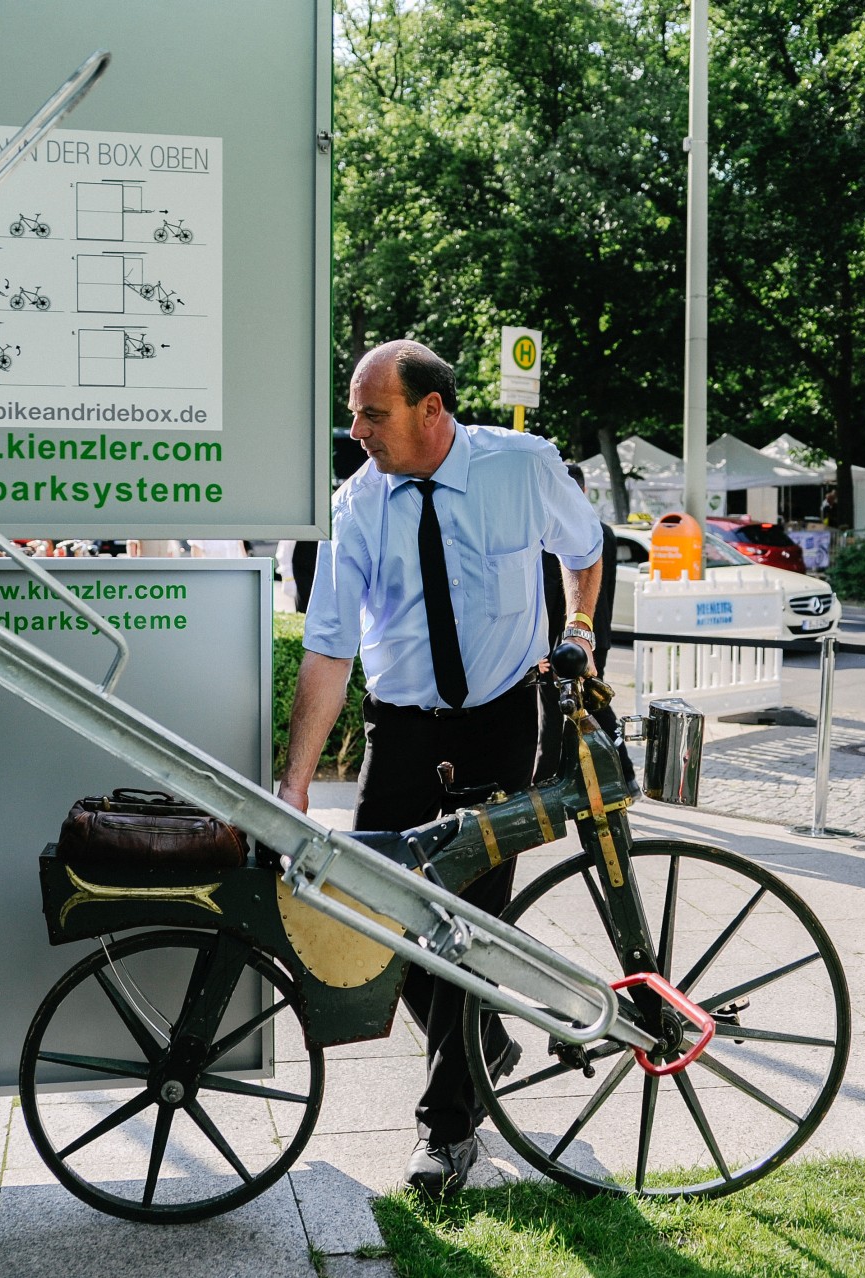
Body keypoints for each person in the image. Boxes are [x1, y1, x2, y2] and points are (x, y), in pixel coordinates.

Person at [277, 339, 605, 1196]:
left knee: (466, 927)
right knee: (383, 919)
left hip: (500, 725)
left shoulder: (521, 465)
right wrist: (295, 784)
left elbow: (585, 545)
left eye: (372, 413)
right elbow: (327, 648)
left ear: (432, 409)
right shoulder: (357, 504)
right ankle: (486, 1039)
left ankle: (447, 1132)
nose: (356, 430)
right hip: (403, 734)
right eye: (354, 412)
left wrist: (579, 628)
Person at [537, 464, 620, 781]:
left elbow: (551, 595)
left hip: (565, 642)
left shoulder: (553, 535)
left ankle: (553, 781)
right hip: (598, 635)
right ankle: (611, 773)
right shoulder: (604, 531)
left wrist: (544, 649)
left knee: (553, 715)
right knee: (593, 703)